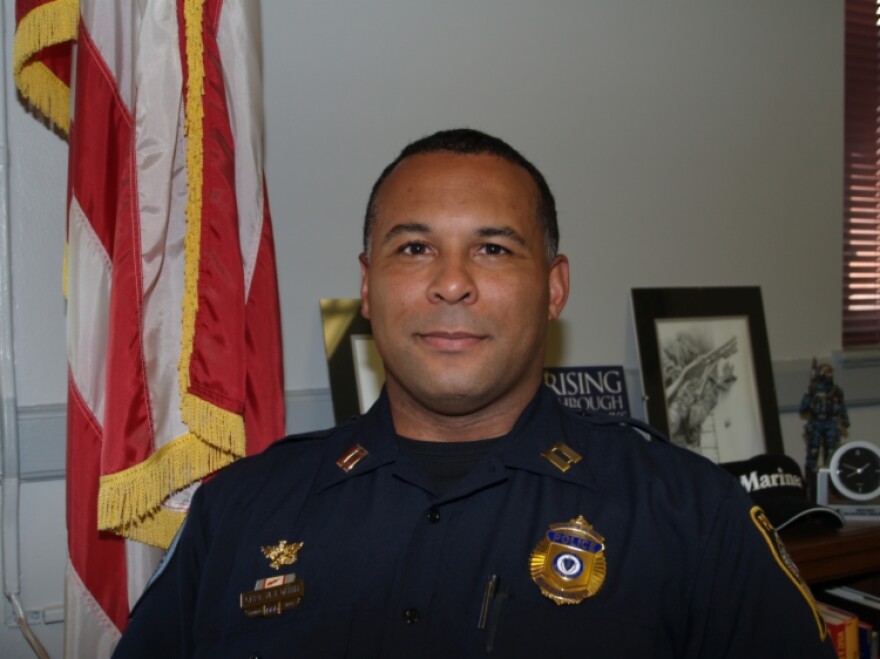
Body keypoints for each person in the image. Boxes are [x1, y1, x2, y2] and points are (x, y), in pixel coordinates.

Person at [113, 128, 835, 657]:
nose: (451, 282)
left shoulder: (691, 515)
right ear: (367, 287)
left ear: (554, 288)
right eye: (414, 247)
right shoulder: (238, 512)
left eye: (493, 249)